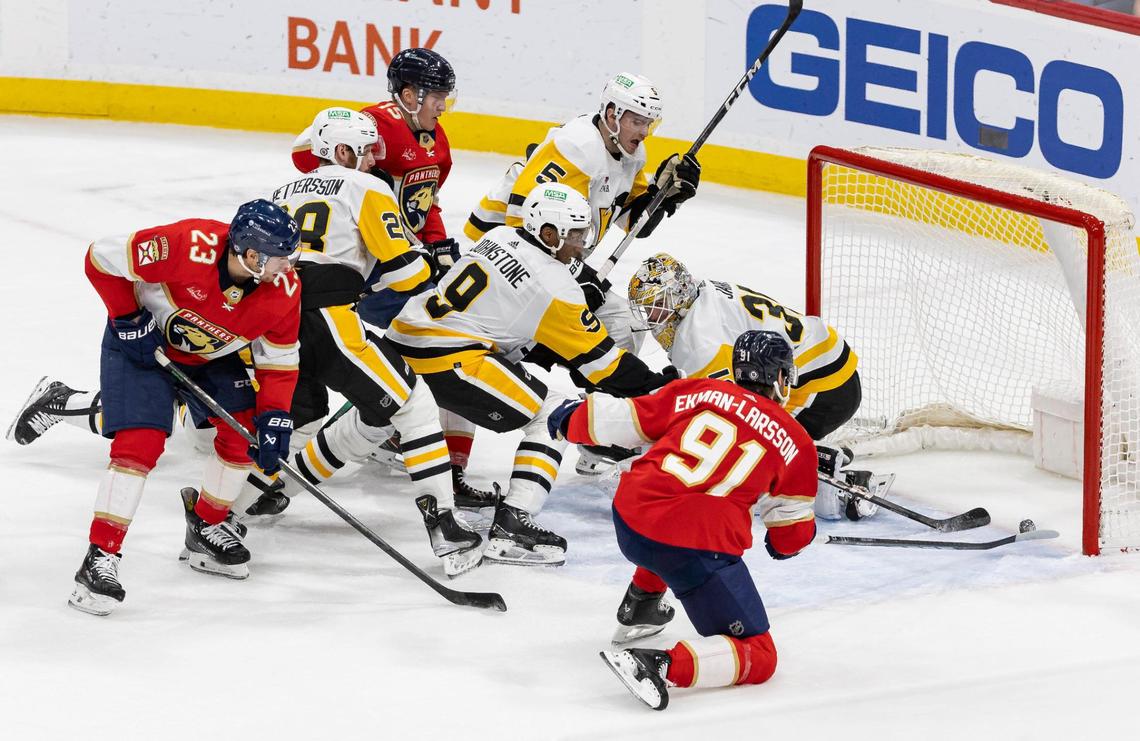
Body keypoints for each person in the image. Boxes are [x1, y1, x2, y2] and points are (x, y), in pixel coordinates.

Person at [386, 183, 675, 566]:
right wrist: (667, 389)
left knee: (372, 420)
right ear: (548, 233)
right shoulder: (556, 288)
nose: (583, 245)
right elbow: (604, 366)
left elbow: (515, 321)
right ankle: (513, 522)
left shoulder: (500, 235)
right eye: (574, 235)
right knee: (557, 416)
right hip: (449, 359)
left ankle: (288, 477)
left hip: (402, 343)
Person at [547, 330, 817, 710]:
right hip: (691, 551)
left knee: (670, 519)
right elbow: (790, 535)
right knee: (761, 655)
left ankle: (641, 603)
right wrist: (787, 542)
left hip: (630, 519)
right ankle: (660, 665)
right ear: (779, 377)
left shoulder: (700, 390)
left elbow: (630, 418)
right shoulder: (797, 442)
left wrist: (570, 419)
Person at [268, 106, 483, 576]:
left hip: (276, 323)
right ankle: (444, 524)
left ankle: (233, 511)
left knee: (313, 422)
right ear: (341, 151)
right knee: (414, 403)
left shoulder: (281, 192)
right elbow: (407, 273)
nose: (372, 162)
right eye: (364, 152)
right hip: (327, 318)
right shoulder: (366, 186)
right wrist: (424, 265)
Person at [67, 199, 303, 616]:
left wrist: (275, 415)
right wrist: (126, 317)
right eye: (281, 258)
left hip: (207, 358)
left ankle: (206, 524)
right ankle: (100, 557)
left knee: (245, 432)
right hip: (142, 347)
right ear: (251, 255)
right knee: (140, 443)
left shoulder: (284, 290)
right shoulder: (186, 243)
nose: (289, 267)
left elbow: (278, 359)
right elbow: (100, 257)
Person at [291, 49, 489, 503]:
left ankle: (396, 430)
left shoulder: (437, 141)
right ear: (407, 94)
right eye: (436, 95)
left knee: (440, 335)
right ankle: (389, 427)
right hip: (371, 261)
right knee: (438, 337)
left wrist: (437, 245)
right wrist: (355, 177)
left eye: (445, 96)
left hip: (402, 251)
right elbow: (307, 155)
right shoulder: (375, 123)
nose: (443, 105)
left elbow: (426, 203)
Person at [627, 252, 890, 521]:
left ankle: (836, 480)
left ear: (678, 293)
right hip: (825, 370)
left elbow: (724, 411)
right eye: (646, 308)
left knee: (750, 448)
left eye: (657, 305)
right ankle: (810, 451)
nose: (651, 317)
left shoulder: (699, 337)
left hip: (822, 389)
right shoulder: (702, 292)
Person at [464, 72, 701, 355]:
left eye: (649, 123)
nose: (644, 132)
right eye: (637, 122)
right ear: (612, 115)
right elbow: (521, 226)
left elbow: (635, 222)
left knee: (622, 328)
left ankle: (605, 400)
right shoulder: (576, 148)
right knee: (509, 347)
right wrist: (577, 274)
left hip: (554, 259)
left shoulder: (632, 155)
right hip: (497, 255)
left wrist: (665, 197)